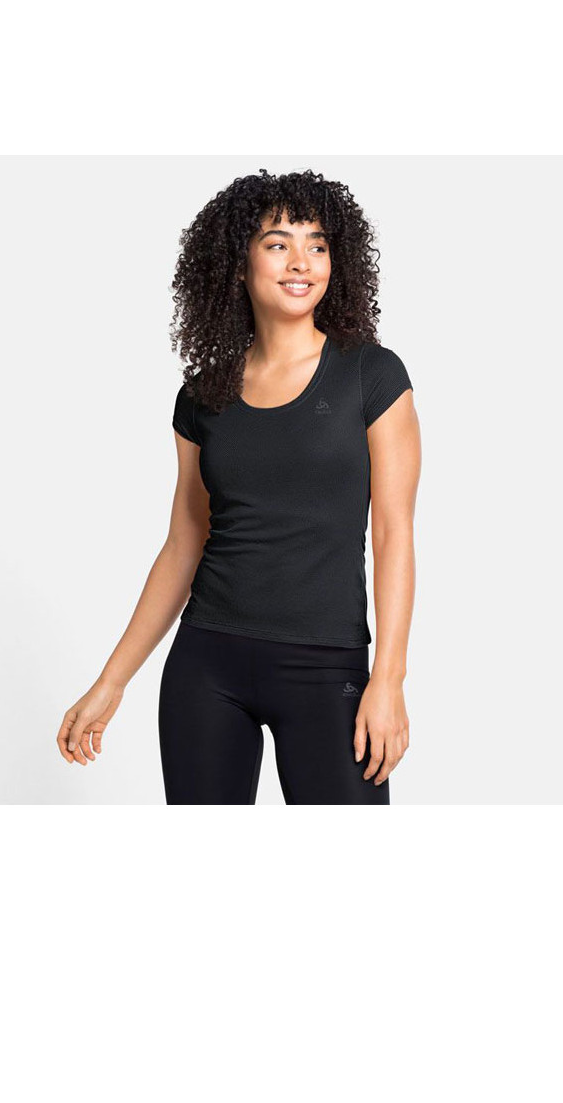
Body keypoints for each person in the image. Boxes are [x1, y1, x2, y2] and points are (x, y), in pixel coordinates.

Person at [56, 168, 421, 803]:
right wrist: (111, 681)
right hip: (207, 666)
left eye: (317, 244)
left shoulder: (372, 375)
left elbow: (394, 533)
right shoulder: (204, 394)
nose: (301, 261)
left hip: (325, 667)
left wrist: (387, 678)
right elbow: (184, 542)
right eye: (278, 243)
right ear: (239, 261)